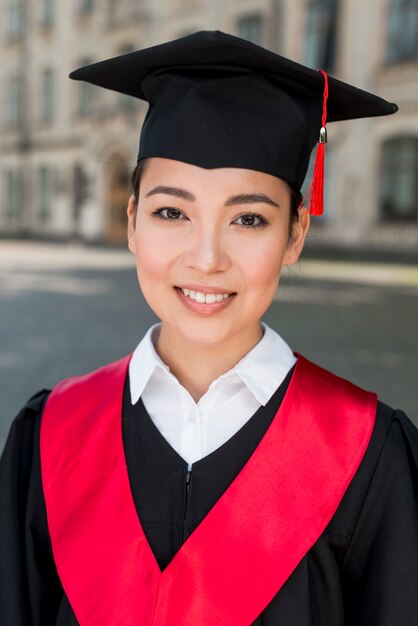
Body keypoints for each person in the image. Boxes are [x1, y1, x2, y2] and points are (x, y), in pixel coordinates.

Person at [1, 31, 417, 626]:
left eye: (249, 219)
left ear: (294, 236)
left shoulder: (367, 454)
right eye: (172, 212)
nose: (206, 258)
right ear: (132, 222)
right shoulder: (50, 438)